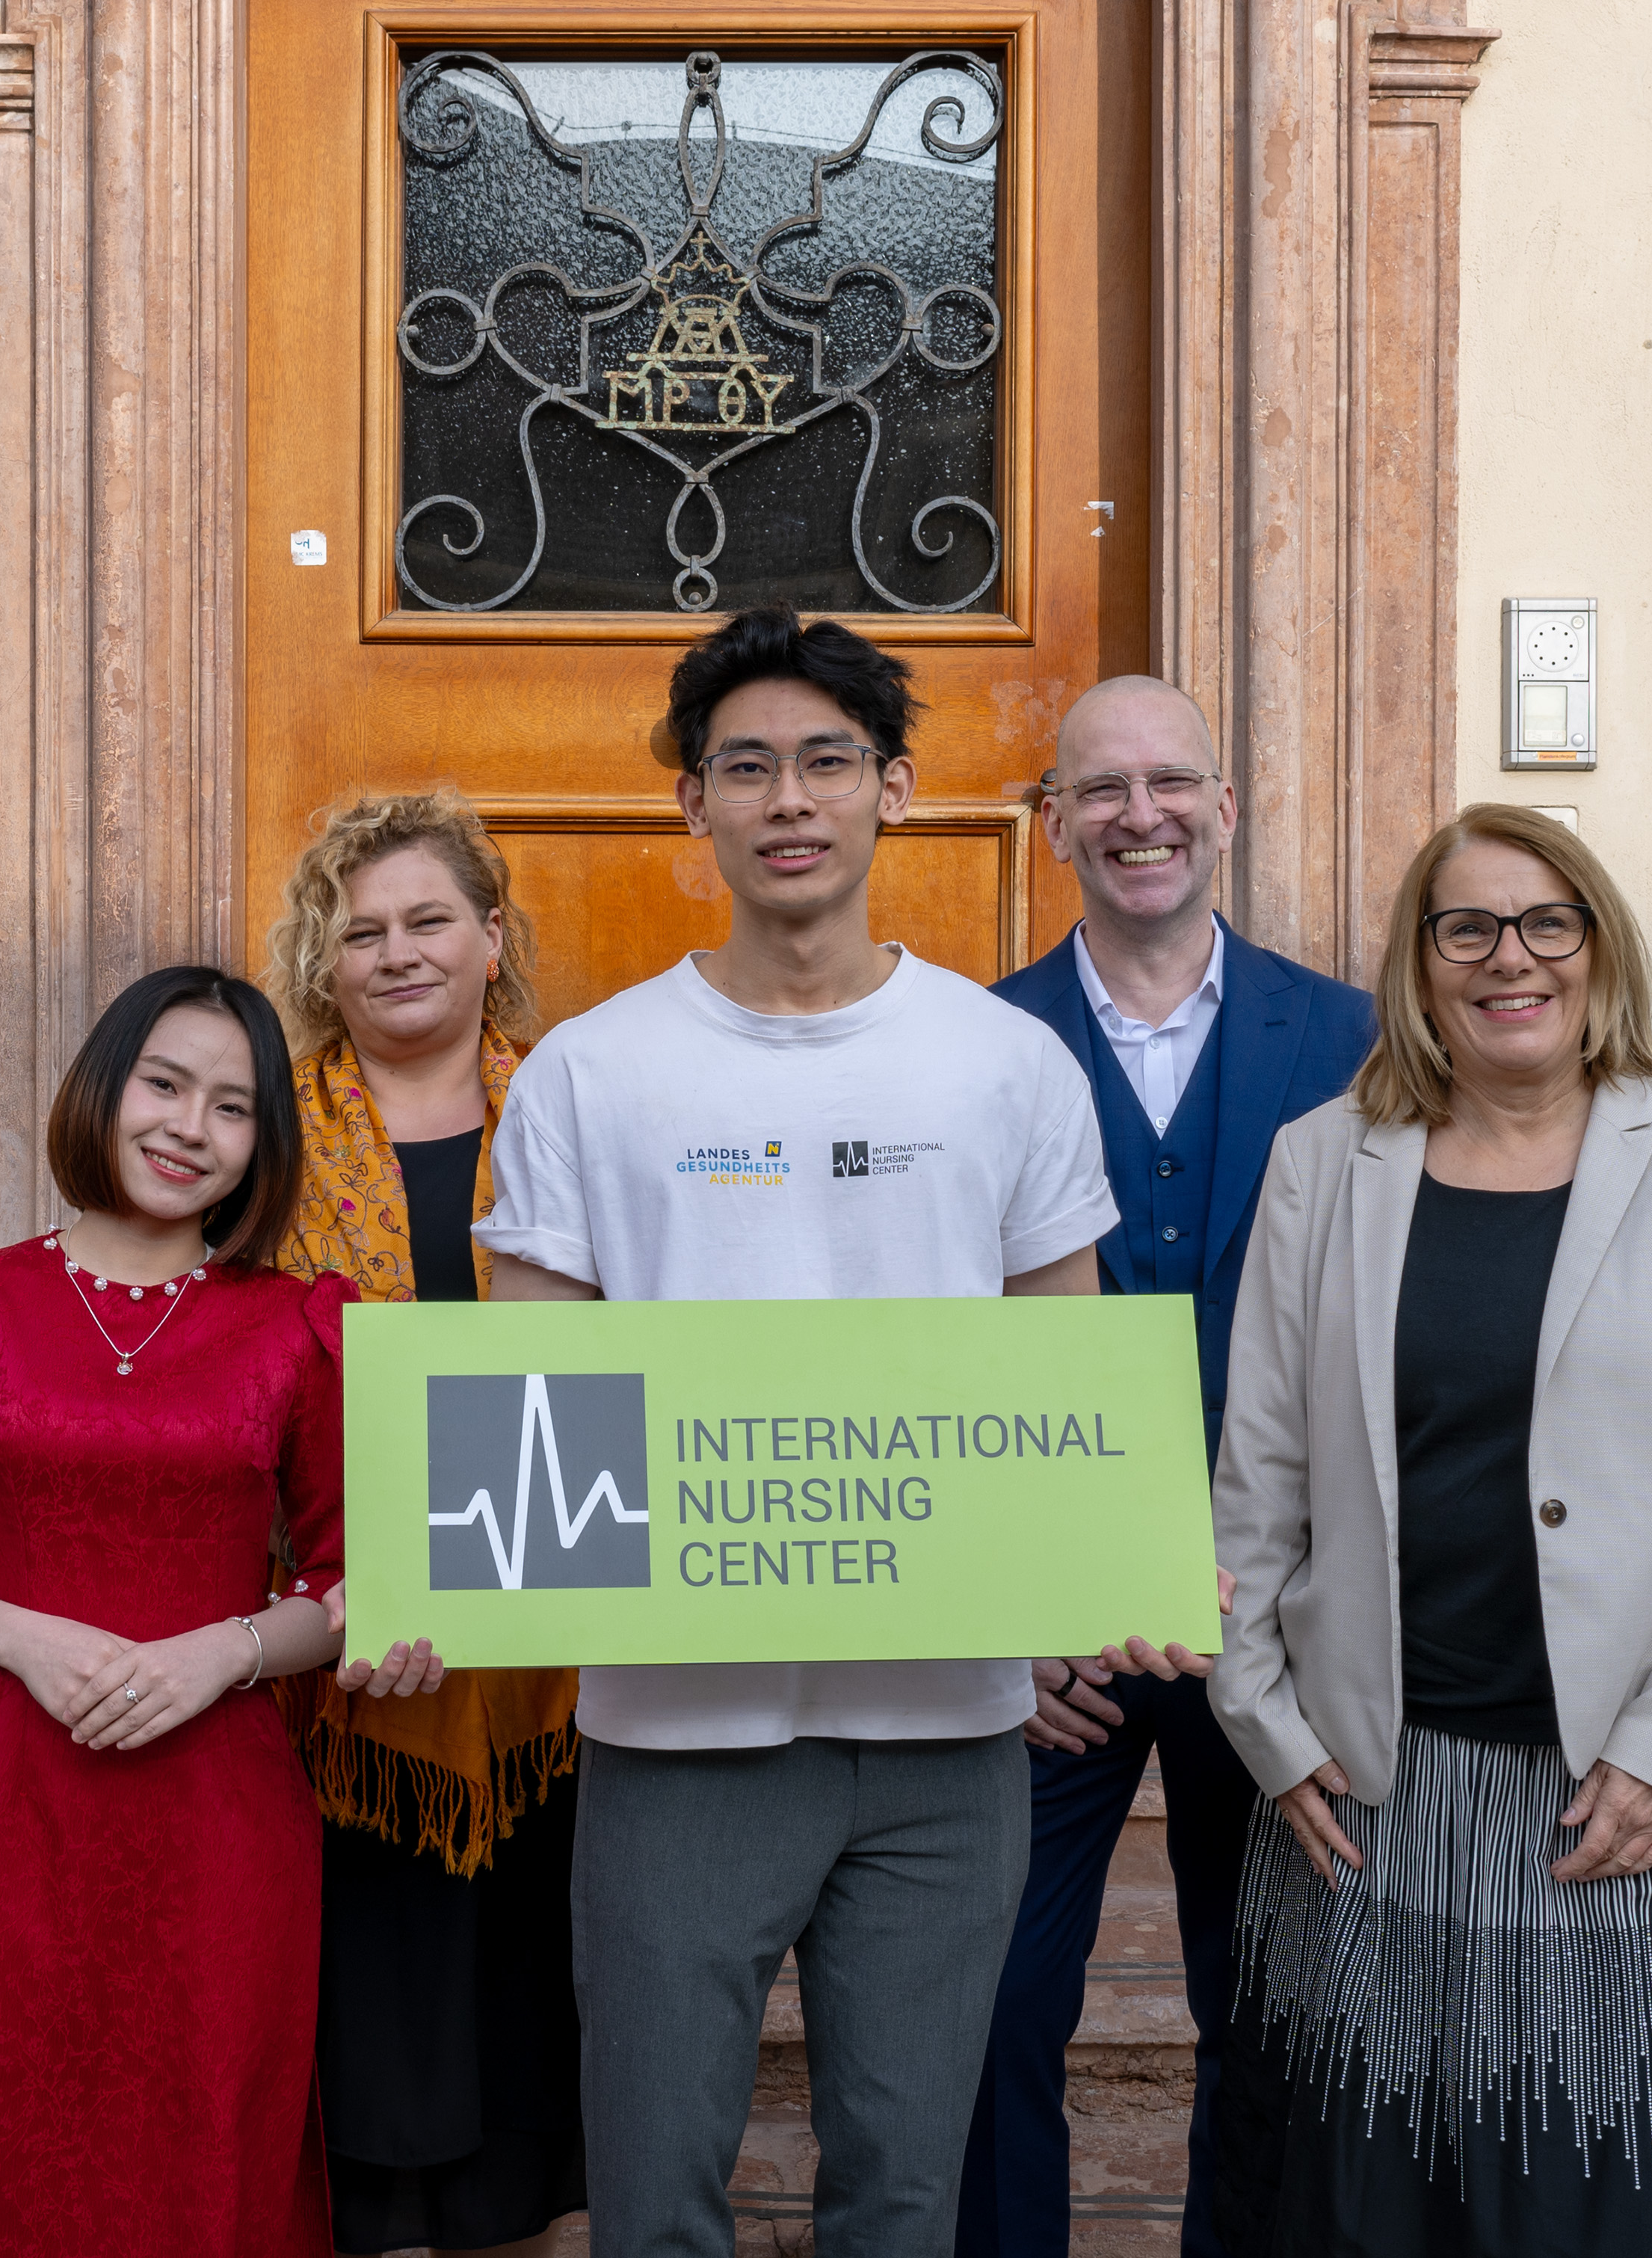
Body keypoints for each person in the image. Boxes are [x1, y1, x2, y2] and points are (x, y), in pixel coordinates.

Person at [473, 604, 1151, 2258]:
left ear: (893, 791)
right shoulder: (587, 1073)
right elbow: (529, 1405)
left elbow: (1061, 1376)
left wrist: (1099, 1579)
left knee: (906, 2198)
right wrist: (474, 1573)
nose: (789, 799)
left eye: (829, 762)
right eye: (747, 766)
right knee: (653, 2201)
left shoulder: (1007, 1067)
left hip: (945, 1738)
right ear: (692, 803)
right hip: (674, 1730)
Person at [1206, 803, 1652, 2254]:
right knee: (1377, 2208)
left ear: (1598, 947)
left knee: (1633, 2205)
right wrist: (1259, 1714)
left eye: (1548, 920)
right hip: (1380, 1790)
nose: (1511, 956)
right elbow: (1261, 1468)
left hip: (1630, 1789)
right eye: (1468, 927)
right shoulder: (1323, 1162)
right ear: (1418, 960)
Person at [0, 965, 387, 2257]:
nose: (191, 1127)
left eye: (233, 1107)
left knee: (213, 2159)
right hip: (7, 1802)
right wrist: (20, 1635)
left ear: (263, 1141)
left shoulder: (300, 1329)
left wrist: (226, 1652)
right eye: (164, 1084)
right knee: (4, 2148)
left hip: (221, 1811)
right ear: (105, 1089)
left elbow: (350, 1582)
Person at [962, 678, 1375, 2258]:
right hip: (1046, 1639)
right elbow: (925, 1344)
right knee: (989, 2004)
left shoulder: (1352, 1037)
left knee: (1270, 2013)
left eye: (1172, 782)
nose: (1142, 815)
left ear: (1225, 807)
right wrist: (996, 1622)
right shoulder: (969, 1044)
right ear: (1054, 824)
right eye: (1102, 789)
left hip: (1272, 1622)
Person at [266, 790, 588, 2258]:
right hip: (343, 1666)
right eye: (361, 931)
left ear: (491, 937)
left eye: (428, 920)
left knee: (530, 2010)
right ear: (323, 961)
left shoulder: (578, 1113)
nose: (395, 953)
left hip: (554, 1667)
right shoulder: (264, 1136)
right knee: (375, 2020)